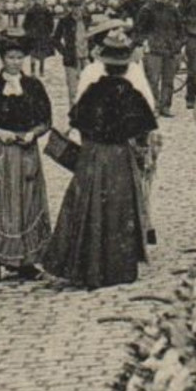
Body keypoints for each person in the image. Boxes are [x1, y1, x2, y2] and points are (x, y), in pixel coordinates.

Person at [42, 26, 160, 289]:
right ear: (125, 65)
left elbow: (77, 119)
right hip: (120, 158)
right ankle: (117, 267)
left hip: (93, 157)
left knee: (87, 207)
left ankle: (82, 265)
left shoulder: (93, 90)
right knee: (118, 210)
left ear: (104, 64)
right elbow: (144, 129)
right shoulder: (132, 94)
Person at [0, 30, 54, 286]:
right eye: (10, 57)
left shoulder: (34, 86)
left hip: (27, 154)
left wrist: (33, 133)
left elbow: (46, 120)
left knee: (28, 205)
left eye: (19, 57)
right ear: (2, 58)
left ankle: (27, 262)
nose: (15, 62)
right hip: (0, 155)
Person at [135, 0, 186, 117]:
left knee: (168, 80)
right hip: (153, 50)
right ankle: (154, 106)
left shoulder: (173, 9)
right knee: (153, 79)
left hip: (170, 49)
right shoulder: (147, 10)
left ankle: (165, 106)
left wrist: (178, 44)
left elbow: (181, 29)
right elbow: (139, 30)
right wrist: (144, 42)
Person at [51, 0, 92, 107]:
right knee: (73, 90)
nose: (77, 9)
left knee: (88, 88)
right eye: (74, 6)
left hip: (86, 57)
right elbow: (55, 39)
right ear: (70, 7)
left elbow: (93, 36)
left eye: (79, 6)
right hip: (72, 58)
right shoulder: (65, 21)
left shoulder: (87, 19)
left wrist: (92, 50)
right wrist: (65, 52)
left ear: (83, 6)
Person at [21, 0, 56, 76]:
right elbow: (51, 23)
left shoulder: (30, 10)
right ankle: (41, 71)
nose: (38, 1)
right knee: (41, 53)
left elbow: (25, 24)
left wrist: (28, 32)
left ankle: (33, 71)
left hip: (33, 34)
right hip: (42, 34)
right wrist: (49, 31)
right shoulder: (45, 10)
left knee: (33, 53)